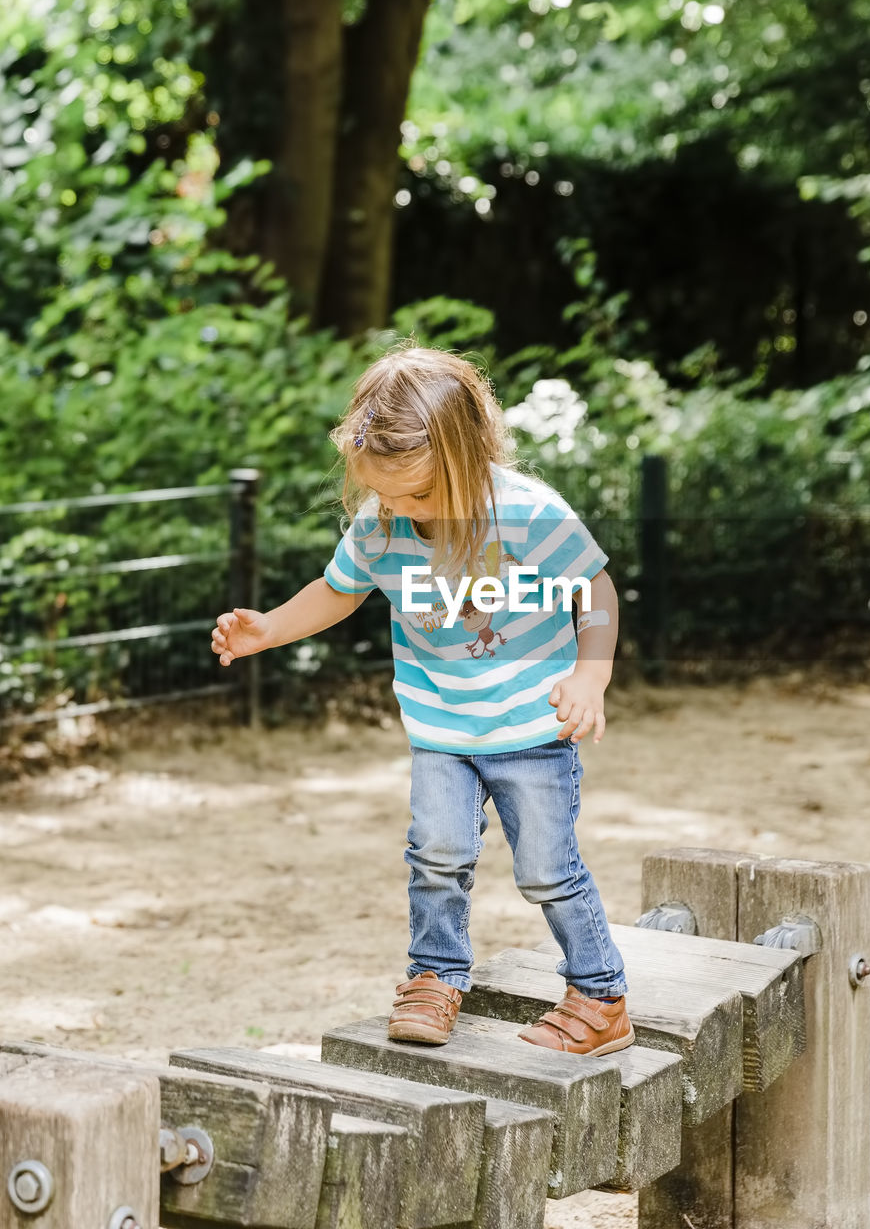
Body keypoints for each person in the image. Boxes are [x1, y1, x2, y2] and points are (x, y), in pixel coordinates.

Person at [210, 346, 633, 1056]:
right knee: (435, 854)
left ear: (469, 459)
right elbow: (339, 591)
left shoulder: (530, 515)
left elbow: (595, 587)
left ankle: (600, 995)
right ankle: (435, 978)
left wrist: (592, 675)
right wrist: (269, 629)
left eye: (420, 495)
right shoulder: (382, 523)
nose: (401, 511)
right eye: (388, 495)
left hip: (531, 727)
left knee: (547, 869)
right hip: (441, 727)